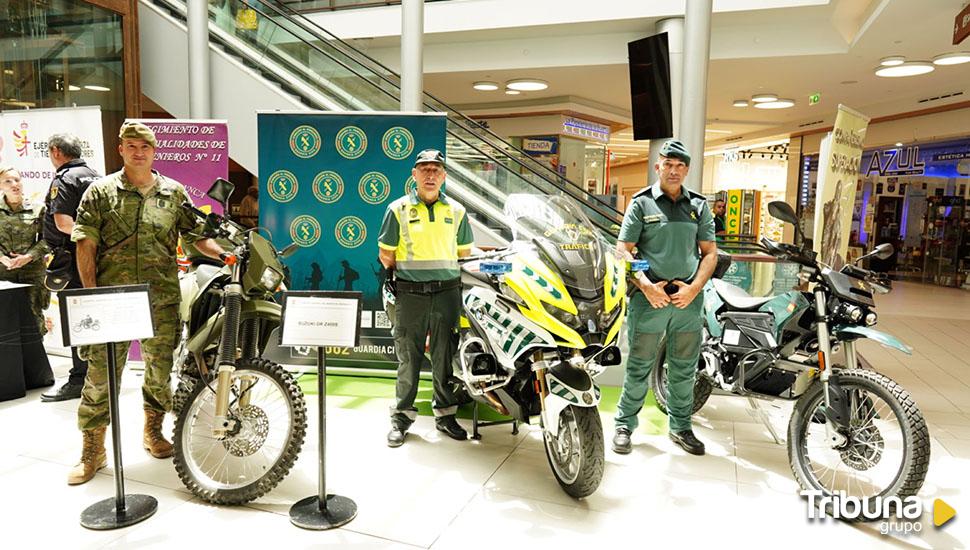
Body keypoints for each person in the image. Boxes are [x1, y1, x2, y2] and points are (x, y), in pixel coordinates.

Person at [67, 122, 227, 485]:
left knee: (159, 371)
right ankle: (93, 450)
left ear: (154, 152)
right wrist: (92, 296)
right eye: (131, 146)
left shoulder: (173, 193)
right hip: (111, 301)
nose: (139, 152)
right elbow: (85, 244)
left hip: (161, 300)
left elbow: (196, 237)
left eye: (145, 146)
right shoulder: (100, 192)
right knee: (100, 377)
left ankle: (152, 433)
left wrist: (226, 256)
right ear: (120, 149)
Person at [612, 139, 718, 457]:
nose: (673, 171)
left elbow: (710, 253)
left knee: (684, 368)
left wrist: (694, 289)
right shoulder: (642, 204)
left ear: (686, 169)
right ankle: (624, 426)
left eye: (679, 166)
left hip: (688, 300)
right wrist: (646, 285)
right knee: (639, 366)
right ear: (658, 166)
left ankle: (680, 427)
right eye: (667, 165)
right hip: (650, 298)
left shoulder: (698, 206)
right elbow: (623, 251)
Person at [378, 148, 474, 447]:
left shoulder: (456, 211)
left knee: (444, 357)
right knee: (409, 357)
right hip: (411, 294)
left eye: (436, 170)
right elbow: (386, 255)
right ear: (414, 175)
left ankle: (445, 416)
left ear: (444, 176)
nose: (430, 175)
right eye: (425, 170)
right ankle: (401, 419)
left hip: (447, 293)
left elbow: (464, 252)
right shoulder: (398, 209)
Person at [39, 133, 101, 403]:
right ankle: (94, 375)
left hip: (73, 258)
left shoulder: (64, 179)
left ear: (55, 151)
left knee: (77, 319)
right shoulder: (95, 176)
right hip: (95, 258)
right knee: (92, 317)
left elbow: (64, 223)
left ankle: (79, 379)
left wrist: (85, 241)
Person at [0, 166, 49, 335]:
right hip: (3, 274)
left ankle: (37, 360)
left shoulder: (38, 208)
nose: (14, 184)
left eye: (17, 180)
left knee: (33, 322)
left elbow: (49, 240)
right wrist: (3, 258)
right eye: (8, 181)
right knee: (5, 322)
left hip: (32, 274)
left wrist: (29, 256)